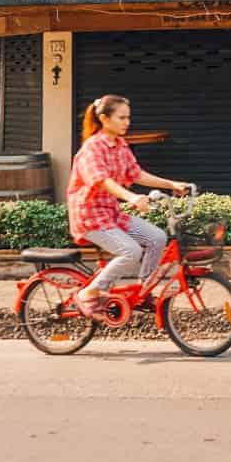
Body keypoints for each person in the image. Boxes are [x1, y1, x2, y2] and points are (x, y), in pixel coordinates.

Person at [66, 95, 188, 319]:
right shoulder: (91, 149)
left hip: (111, 213)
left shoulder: (120, 145)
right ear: (104, 118)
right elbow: (102, 180)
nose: (126, 122)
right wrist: (131, 198)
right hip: (89, 217)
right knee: (130, 251)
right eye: (121, 117)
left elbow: (136, 174)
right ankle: (88, 293)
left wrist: (170, 184)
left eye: (128, 117)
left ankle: (144, 291)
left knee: (157, 238)